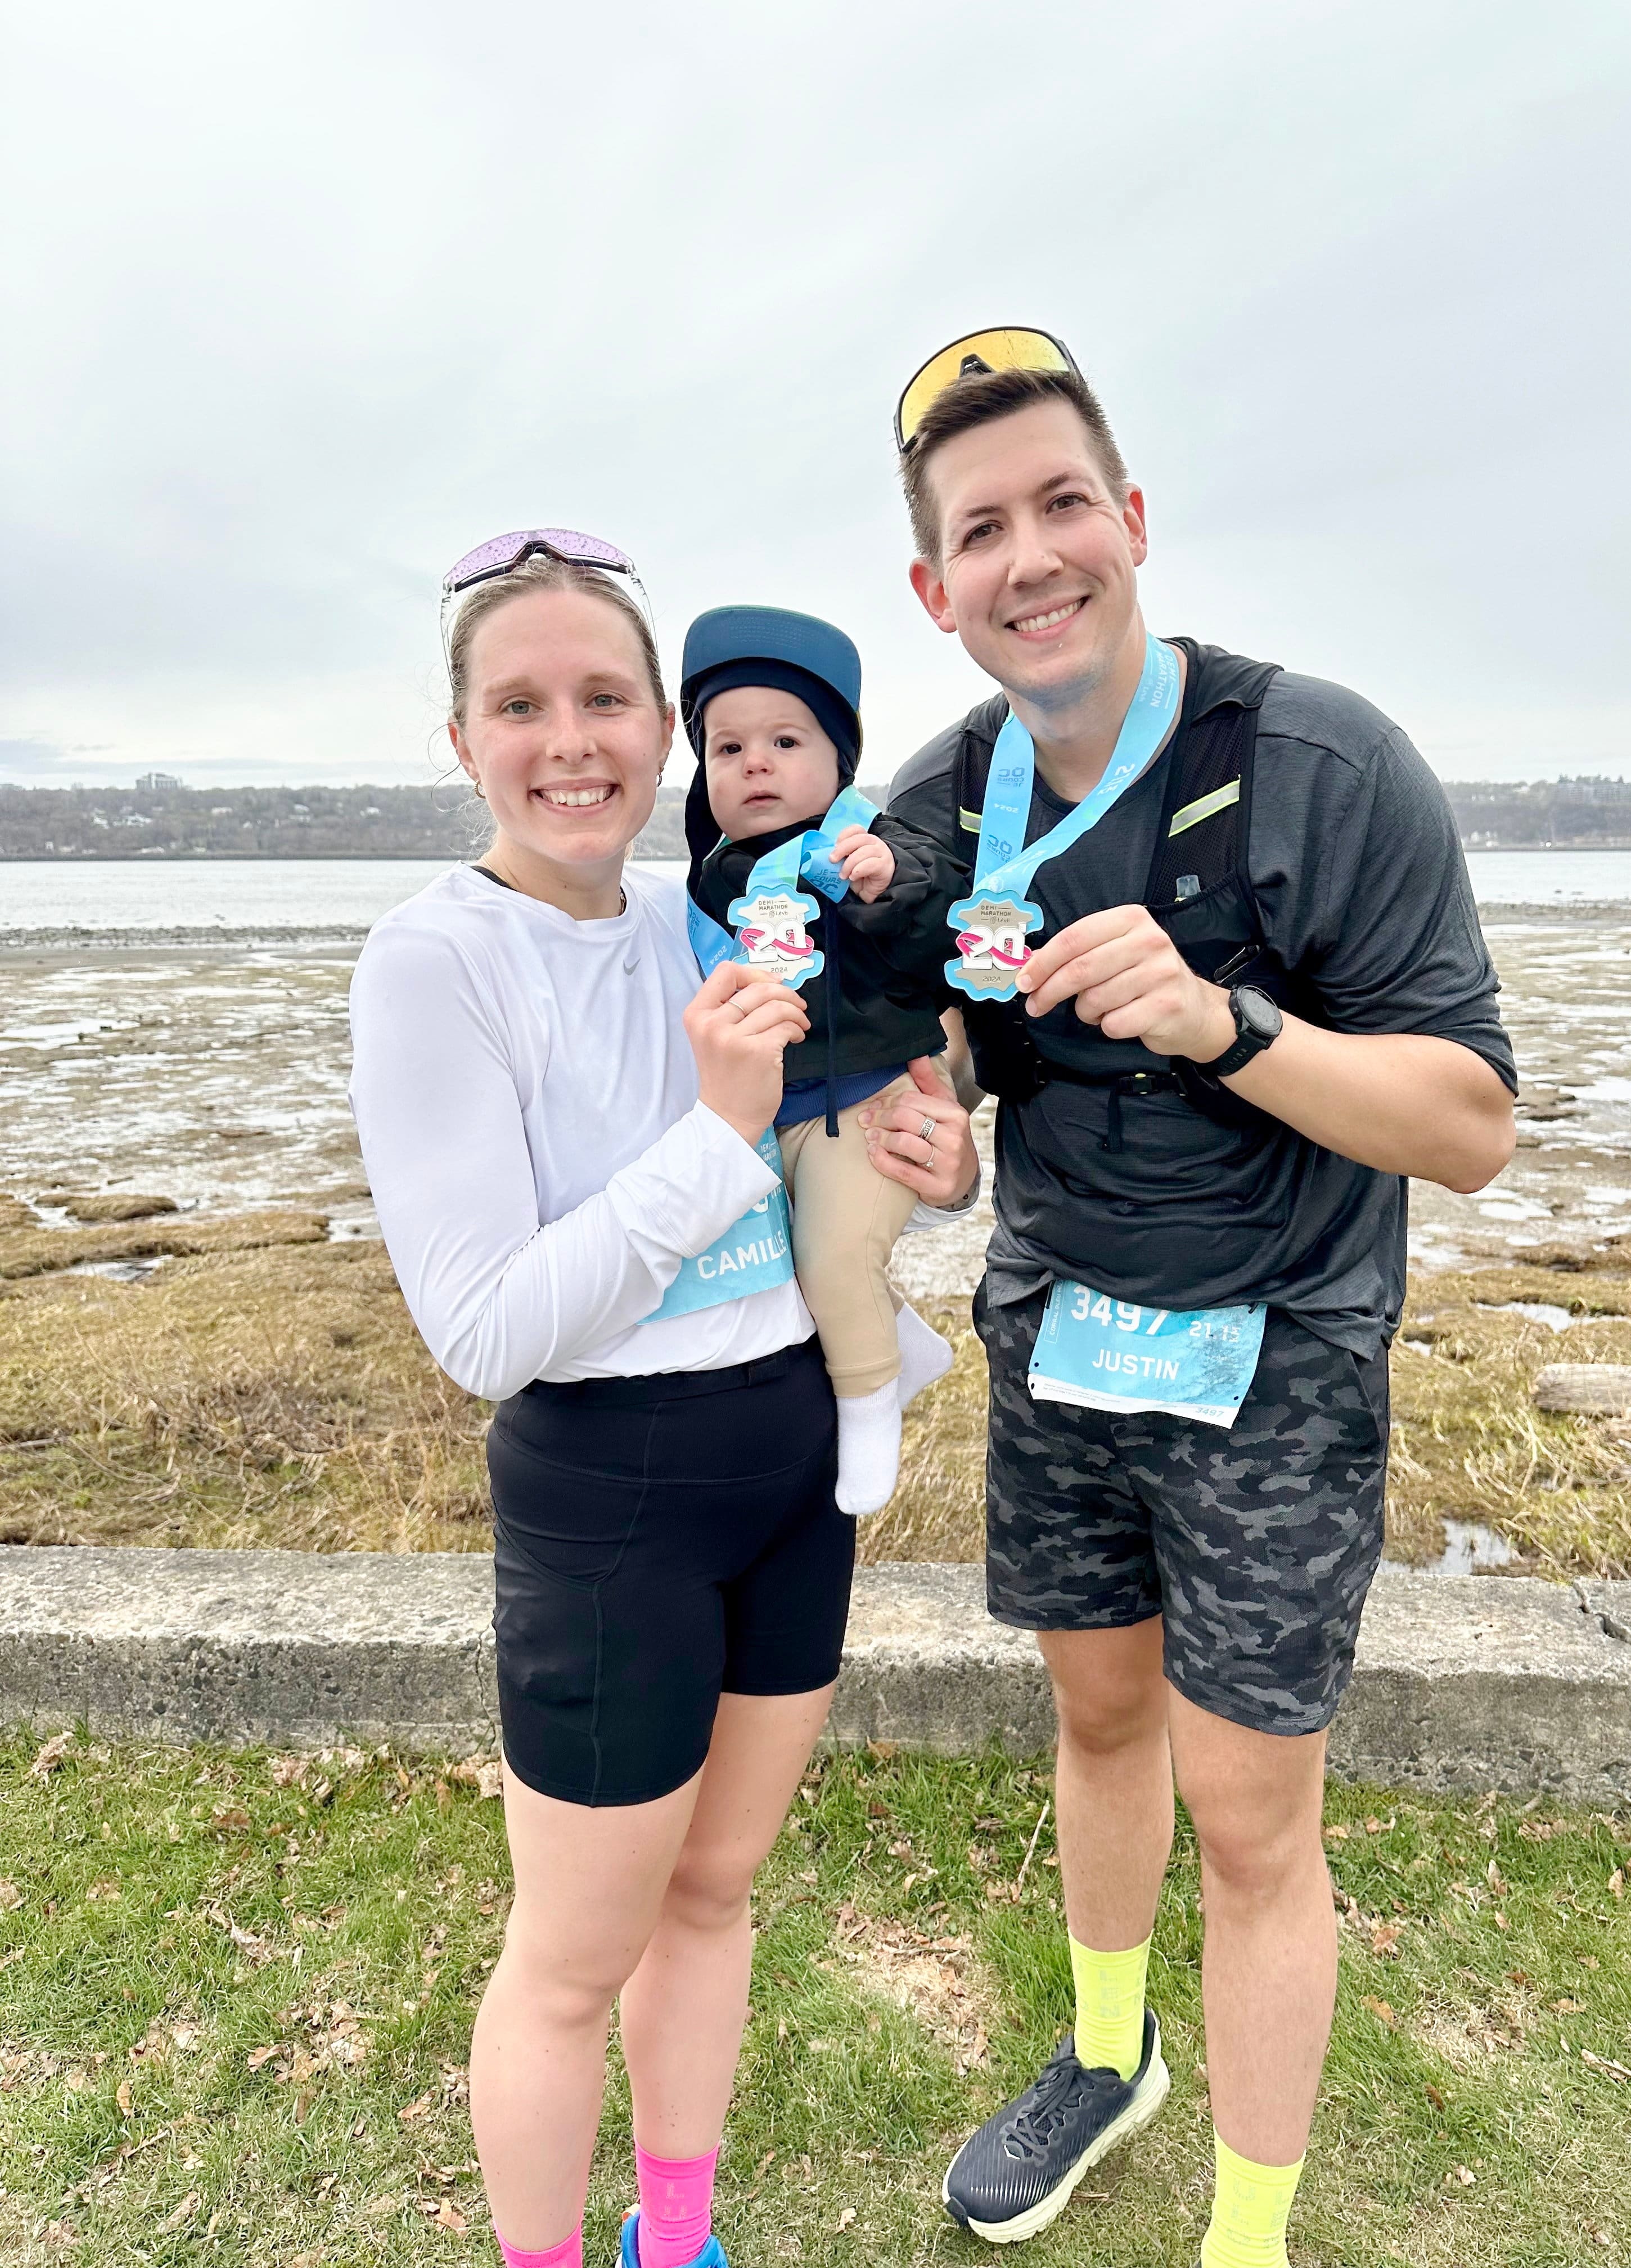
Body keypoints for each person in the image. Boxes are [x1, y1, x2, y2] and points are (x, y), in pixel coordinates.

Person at [882, 334, 1518, 2264]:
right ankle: (1107, 2057)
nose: (1030, 556)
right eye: (980, 529)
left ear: (1133, 520)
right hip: (1059, 1339)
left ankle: (1246, 2235)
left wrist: (1223, 1021)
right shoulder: (946, 801)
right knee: (1097, 1726)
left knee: (1250, 1819)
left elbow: (1470, 1126)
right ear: (935, 586)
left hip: (1277, 1360)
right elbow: (929, 1063)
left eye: (1061, 502)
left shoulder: (1319, 765)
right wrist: (925, 1127)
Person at [346, 530, 977, 2268]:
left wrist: (941, 1165)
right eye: (521, 706)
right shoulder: (435, 961)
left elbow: (853, 1095)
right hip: (612, 1496)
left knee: (714, 1894)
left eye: (607, 699)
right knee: (571, 1965)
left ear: (664, 731)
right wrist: (713, 1136)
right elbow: (485, 1331)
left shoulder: (705, 911)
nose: (572, 741)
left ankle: (676, 2241)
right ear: (462, 738)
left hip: (794, 1462)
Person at [680, 604, 960, 1514]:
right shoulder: (716, 877)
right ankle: (904, 1345)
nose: (755, 763)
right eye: (727, 749)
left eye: (785, 740)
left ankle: (870, 1404)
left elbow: (940, 928)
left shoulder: (868, 847)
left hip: (871, 1100)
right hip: (773, 1113)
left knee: (834, 1256)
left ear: (840, 761)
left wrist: (889, 884)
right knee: (788, 1264)